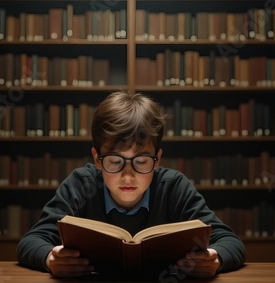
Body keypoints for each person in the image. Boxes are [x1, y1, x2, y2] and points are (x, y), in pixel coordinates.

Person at [17, 91, 246, 278]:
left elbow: (230, 241)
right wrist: (50, 257)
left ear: (158, 159)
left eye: (142, 161)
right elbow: (31, 241)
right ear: (97, 159)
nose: (128, 176)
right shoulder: (81, 185)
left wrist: (215, 258)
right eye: (115, 162)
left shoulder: (173, 186)